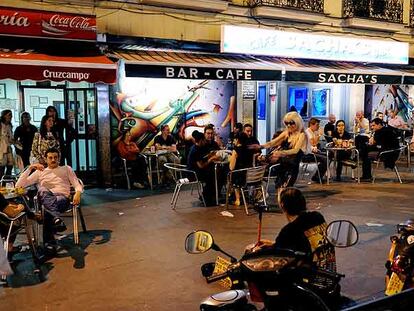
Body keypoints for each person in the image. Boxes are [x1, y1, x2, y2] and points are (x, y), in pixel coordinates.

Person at [16, 148, 83, 251]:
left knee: (45, 208)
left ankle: (49, 243)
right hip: (45, 197)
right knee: (42, 190)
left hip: (61, 199)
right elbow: (19, 185)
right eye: (50, 158)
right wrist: (30, 168)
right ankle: (57, 218)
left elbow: (77, 184)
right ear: (45, 159)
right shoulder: (40, 172)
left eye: (55, 157)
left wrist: (78, 193)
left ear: (59, 158)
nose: (53, 160)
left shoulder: (66, 169)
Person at [260, 112, 307, 188]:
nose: (289, 125)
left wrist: (281, 153)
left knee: (286, 187)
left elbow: (295, 150)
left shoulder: (302, 135)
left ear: (297, 122)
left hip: (292, 167)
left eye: (291, 123)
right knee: (279, 186)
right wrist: (260, 146)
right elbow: (273, 143)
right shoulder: (286, 133)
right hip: (283, 164)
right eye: (286, 123)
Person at [187, 130, 221, 206]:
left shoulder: (198, 147)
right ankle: (206, 198)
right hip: (193, 174)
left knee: (216, 173)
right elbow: (201, 165)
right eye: (204, 140)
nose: (205, 142)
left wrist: (210, 155)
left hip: (196, 170)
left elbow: (202, 158)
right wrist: (211, 159)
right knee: (213, 176)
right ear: (201, 140)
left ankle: (209, 196)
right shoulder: (195, 150)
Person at [228, 132, 255, 206]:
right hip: (250, 176)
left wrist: (230, 158)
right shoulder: (250, 149)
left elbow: (231, 167)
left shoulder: (236, 150)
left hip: (239, 178)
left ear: (237, 140)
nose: (233, 141)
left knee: (229, 173)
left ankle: (237, 199)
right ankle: (243, 196)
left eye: (234, 140)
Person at [303, 118, 328, 182]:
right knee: (325, 159)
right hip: (307, 154)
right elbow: (313, 144)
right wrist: (318, 136)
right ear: (311, 124)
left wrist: (318, 135)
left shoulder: (313, 132)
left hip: (312, 151)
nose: (318, 127)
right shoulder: (307, 133)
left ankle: (318, 176)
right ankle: (317, 177)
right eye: (317, 125)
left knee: (328, 156)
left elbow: (315, 144)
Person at [0, 110, 14, 179]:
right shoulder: (1, 125)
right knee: (2, 166)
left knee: (10, 165)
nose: (11, 116)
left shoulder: (9, 126)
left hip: (8, 147)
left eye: (11, 115)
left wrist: (15, 142)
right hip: (1, 148)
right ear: (4, 116)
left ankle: (7, 181)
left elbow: (11, 138)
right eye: (9, 115)